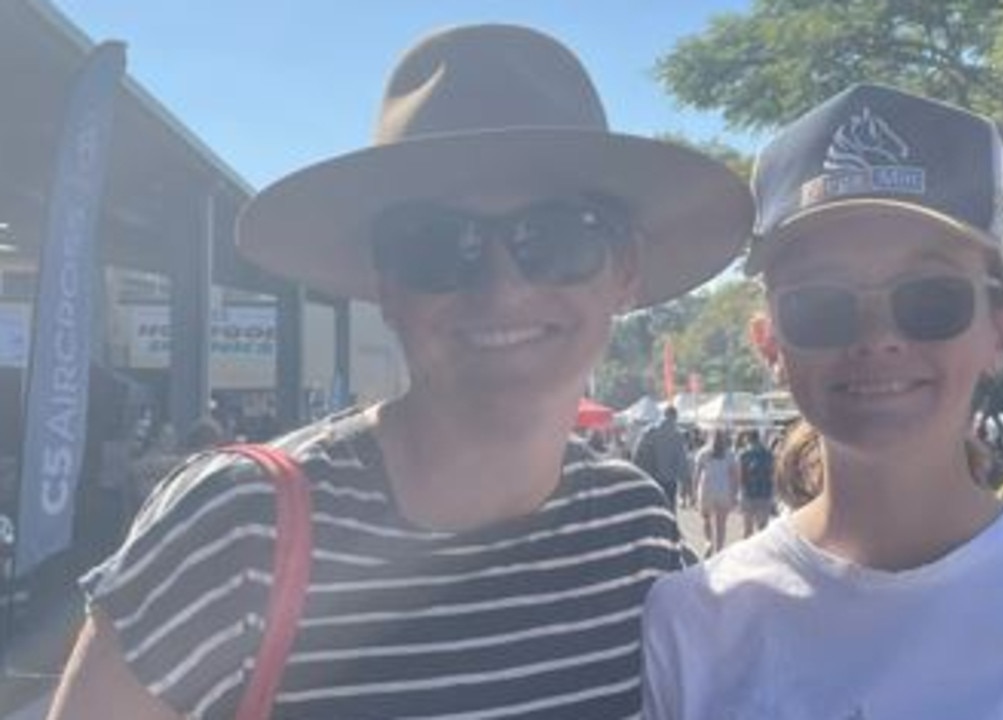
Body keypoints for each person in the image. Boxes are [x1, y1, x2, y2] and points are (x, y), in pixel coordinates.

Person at [48, 24, 751, 719]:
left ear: (625, 272)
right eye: (437, 245)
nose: (502, 289)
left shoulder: (635, 532)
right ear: (385, 285)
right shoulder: (237, 527)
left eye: (557, 237)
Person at [642, 83, 1003, 718]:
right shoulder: (692, 618)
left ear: (1001, 329)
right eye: (820, 303)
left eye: (929, 297)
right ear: (770, 344)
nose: (878, 338)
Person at [632, 405, 692, 508]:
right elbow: (682, 461)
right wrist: (686, 480)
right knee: (669, 509)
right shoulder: (677, 435)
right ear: (675, 417)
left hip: (651, 477)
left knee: (653, 507)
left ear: (664, 414)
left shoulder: (649, 431)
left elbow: (637, 453)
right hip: (669, 480)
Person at [693, 429, 740, 556]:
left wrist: (693, 491)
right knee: (721, 523)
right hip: (723, 490)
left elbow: (696, 474)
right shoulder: (730, 454)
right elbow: (735, 476)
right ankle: (719, 549)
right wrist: (735, 494)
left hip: (706, 489)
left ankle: (709, 542)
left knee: (706, 519)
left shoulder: (702, 452)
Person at [737, 428, 775, 536]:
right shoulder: (768, 454)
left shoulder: (743, 455)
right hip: (765, 493)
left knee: (747, 529)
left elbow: (740, 476)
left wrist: (739, 494)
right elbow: (772, 474)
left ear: (747, 439)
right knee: (763, 529)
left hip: (748, 494)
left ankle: (747, 551)